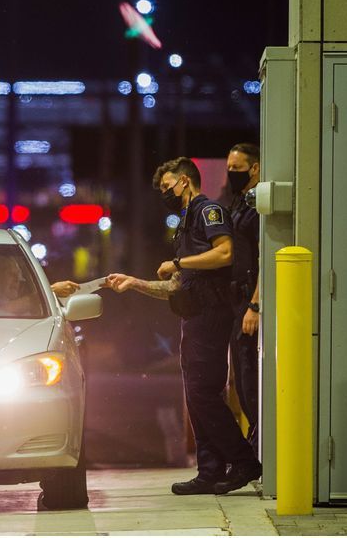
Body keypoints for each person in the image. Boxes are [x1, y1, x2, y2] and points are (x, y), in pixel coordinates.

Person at [106, 157, 261, 496]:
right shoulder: (186, 223)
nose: (166, 193)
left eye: (168, 186)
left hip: (211, 315)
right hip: (193, 317)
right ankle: (209, 471)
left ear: (186, 181)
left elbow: (225, 254)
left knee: (204, 394)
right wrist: (134, 283)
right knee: (196, 395)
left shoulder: (209, 212)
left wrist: (178, 261)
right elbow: (178, 286)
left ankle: (243, 460)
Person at [226, 143, 261, 452]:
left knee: (250, 377)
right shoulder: (239, 202)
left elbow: (266, 258)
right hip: (236, 302)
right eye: (229, 168)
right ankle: (255, 443)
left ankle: (260, 445)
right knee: (240, 376)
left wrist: (255, 305)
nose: (231, 173)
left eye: (237, 168)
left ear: (255, 168)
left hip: (249, 302)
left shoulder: (258, 208)